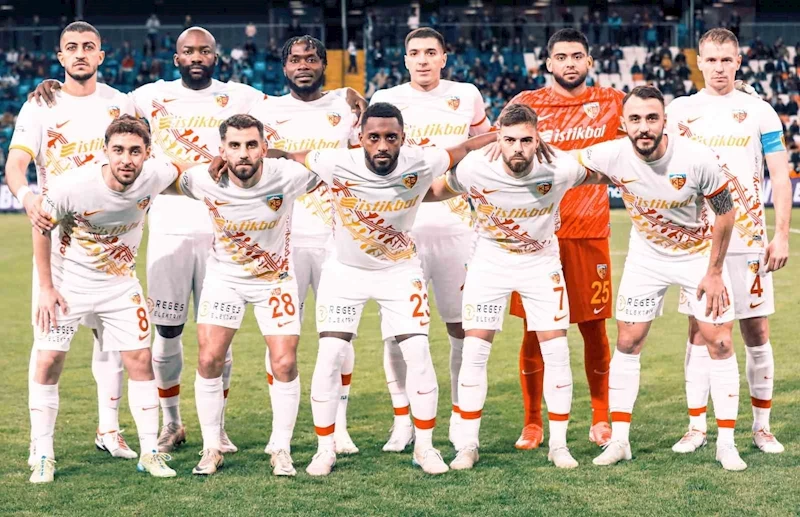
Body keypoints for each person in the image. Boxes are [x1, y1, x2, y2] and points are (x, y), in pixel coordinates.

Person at [29, 28, 367, 454]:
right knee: (166, 332)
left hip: (220, 232)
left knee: (218, 340)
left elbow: (301, 98)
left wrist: (346, 92)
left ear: (216, 57)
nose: (196, 57)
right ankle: (172, 423)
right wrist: (56, 87)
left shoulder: (244, 97)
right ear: (176, 58)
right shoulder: (148, 95)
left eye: (204, 51)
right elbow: (98, 100)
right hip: (168, 230)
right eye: (188, 51)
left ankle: (217, 430)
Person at [261, 102, 497, 476]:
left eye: (390, 137)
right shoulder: (335, 161)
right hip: (344, 271)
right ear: (360, 138)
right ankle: (325, 449)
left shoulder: (423, 161)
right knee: (330, 354)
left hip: (399, 271)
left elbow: (466, 147)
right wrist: (263, 153)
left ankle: (425, 447)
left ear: (403, 138)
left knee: (418, 352)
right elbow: (292, 156)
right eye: (374, 137)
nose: (382, 145)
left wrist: (504, 135)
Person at [424, 104, 607, 470]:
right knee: (475, 351)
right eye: (509, 140)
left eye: (526, 140)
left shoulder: (560, 167)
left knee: (557, 351)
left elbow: (608, 174)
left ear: (538, 138)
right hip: (489, 263)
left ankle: (558, 446)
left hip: (541, 263)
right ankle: (468, 445)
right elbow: (436, 191)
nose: (518, 148)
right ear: (498, 138)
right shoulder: (475, 168)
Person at [578, 86, 746, 471]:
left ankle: (726, 443)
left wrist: (715, 271)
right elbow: (564, 164)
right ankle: (620, 441)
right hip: (646, 258)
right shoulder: (611, 153)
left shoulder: (696, 157)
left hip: (697, 257)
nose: (644, 127)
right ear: (623, 123)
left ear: (664, 121)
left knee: (720, 342)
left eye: (652, 118)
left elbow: (725, 212)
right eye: (635, 119)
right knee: (628, 341)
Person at [5, 21, 139, 467]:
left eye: (89, 46)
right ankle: (40, 445)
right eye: (72, 47)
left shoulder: (121, 104)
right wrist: (27, 197)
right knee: (49, 350)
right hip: (59, 249)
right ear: (60, 57)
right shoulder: (40, 105)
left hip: (111, 246)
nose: (80, 53)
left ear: (101, 55)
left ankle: (109, 430)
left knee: (112, 345)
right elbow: (16, 164)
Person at [30, 115, 180, 483]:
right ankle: (43, 454)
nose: (126, 159)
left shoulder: (155, 174)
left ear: (148, 153)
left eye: (135, 151)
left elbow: (182, 168)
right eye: (118, 150)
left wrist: (217, 165)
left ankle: (150, 452)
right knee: (48, 361)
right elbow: (41, 227)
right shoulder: (72, 186)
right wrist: (46, 288)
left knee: (140, 360)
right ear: (105, 151)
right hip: (69, 285)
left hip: (120, 287)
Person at [666, 28, 790, 455]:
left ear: (738, 62)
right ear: (699, 61)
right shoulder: (679, 111)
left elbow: (780, 176)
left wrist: (781, 235)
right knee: (699, 332)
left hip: (750, 241)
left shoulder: (759, 111)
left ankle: (761, 427)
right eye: (711, 59)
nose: (718, 68)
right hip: (700, 244)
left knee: (756, 330)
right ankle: (696, 427)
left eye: (726, 60)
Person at [175, 115, 321, 477]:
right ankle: (212, 447)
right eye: (235, 146)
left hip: (275, 280)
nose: (243, 153)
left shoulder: (288, 176)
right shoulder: (202, 179)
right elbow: (163, 176)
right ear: (222, 150)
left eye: (252, 145)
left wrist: (286, 154)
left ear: (264, 149)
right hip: (225, 278)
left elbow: (327, 165)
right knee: (209, 358)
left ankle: (281, 448)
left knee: (284, 362)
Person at [369, 27, 493, 453]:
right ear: (405, 59)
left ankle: (460, 417)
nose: (422, 60)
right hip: (400, 231)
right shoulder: (387, 99)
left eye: (430, 52)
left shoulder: (467, 94)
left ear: (444, 57)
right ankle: (402, 420)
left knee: (461, 327)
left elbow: (485, 144)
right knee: (397, 331)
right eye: (414, 53)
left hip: (456, 228)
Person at [506, 28, 624, 450]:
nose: (569, 63)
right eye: (561, 57)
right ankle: (532, 423)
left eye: (577, 56)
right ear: (548, 63)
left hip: (590, 232)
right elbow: (501, 153)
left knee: (594, 330)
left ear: (589, 61)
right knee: (535, 332)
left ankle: (600, 417)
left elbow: (657, 124)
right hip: (536, 236)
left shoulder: (612, 102)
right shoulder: (526, 104)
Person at [249, 35, 360, 456]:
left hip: (336, 240)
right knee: (280, 338)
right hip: (283, 242)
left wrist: (354, 96)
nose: (303, 65)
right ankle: (280, 431)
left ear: (323, 65)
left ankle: (340, 427)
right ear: (284, 67)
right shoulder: (264, 110)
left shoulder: (346, 107)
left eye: (311, 58)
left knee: (339, 337)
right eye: (295, 59)